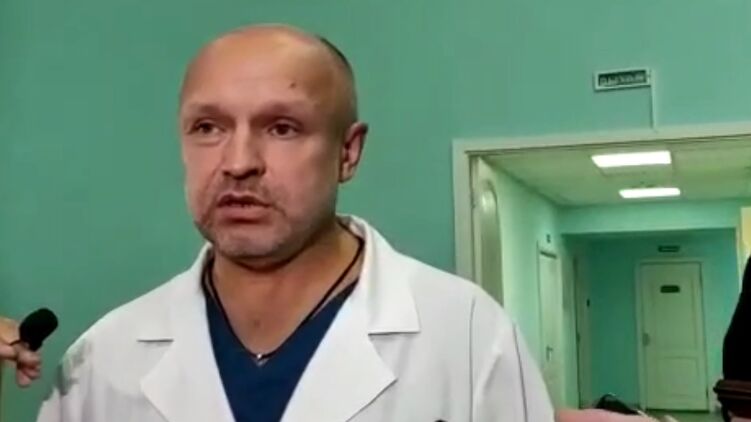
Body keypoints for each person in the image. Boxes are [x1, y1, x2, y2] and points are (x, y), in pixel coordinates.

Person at [0, 23, 651, 422]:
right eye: (208, 127)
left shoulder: (467, 334)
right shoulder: (104, 358)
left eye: (282, 128)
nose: (237, 161)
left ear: (348, 151)